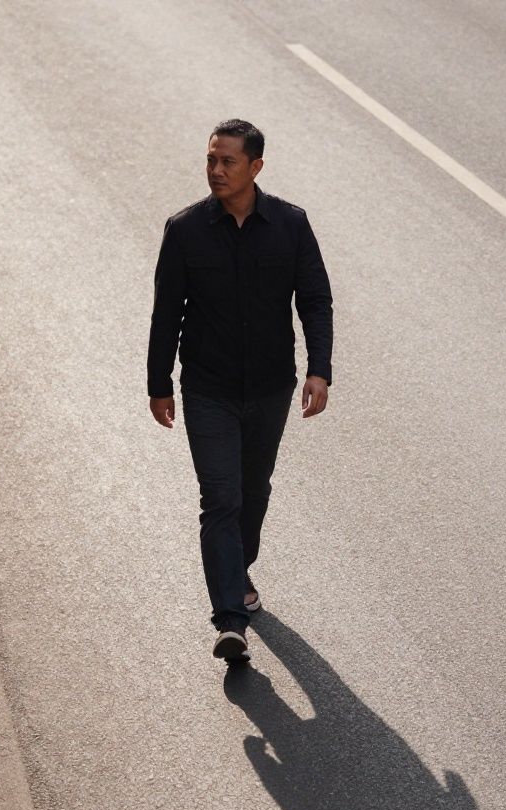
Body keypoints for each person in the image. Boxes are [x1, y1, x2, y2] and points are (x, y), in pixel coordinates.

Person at [147, 119, 334, 663]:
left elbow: (315, 300)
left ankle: (238, 568)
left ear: (255, 167)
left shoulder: (291, 226)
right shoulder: (184, 231)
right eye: (211, 160)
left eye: (228, 162)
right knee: (221, 497)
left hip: (272, 388)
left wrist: (319, 370)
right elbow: (167, 314)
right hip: (207, 389)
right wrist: (159, 384)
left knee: (253, 491)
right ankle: (230, 617)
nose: (216, 171)